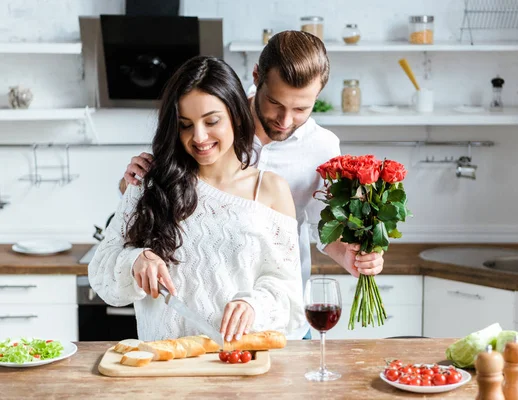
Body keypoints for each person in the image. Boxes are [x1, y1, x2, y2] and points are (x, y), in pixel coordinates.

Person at [120, 31, 385, 338]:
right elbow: (166, 186)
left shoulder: (322, 147)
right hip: (199, 321)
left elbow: (323, 227)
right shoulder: (215, 122)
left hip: (278, 319)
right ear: (257, 76)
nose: (285, 120)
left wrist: (352, 258)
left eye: (301, 109)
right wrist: (132, 183)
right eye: (275, 103)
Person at [88, 56, 305, 343]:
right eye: (185, 125)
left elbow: (288, 294)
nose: (199, 137)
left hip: (239, 364)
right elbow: (101, 271)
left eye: (211, 121)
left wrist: (254, 305)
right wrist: (135, 259)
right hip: (165, 367)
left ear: (237, 115)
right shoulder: (151, 182)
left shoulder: (270, 190)